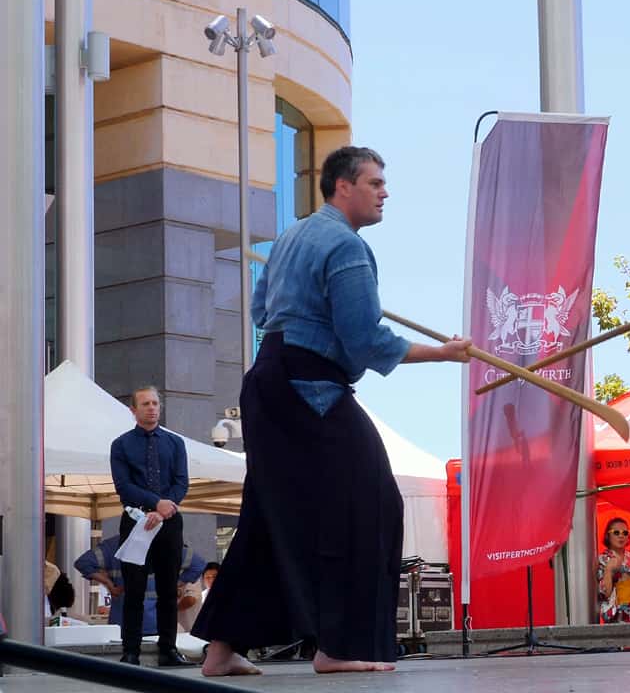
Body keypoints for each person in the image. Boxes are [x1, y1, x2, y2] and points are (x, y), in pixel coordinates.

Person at [192, 146, 471, 677]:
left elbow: (260, 309)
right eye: (376, 183)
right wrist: (442, 352)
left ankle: (222, 649)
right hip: (309, 386)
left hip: (270, 380)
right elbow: (364, 339)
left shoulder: (294, 235)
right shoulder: (346, 247)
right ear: (344, 186)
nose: (385, 192)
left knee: (270, 513)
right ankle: (338, 645)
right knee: (373, 504)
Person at [109, 385, 191, 667]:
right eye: (145, 404)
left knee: (170, 588)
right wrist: (156, 504)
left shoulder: (175, 443)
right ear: (133, 410)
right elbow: (123, 486)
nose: (152, 408)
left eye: (155, 403)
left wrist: (165, 508)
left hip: (169, 522)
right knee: (134, 589)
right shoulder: (120, 445)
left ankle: (168, 648)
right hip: (136, 521)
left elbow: (182, 482)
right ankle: (130, 650)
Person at [74, 535, 207, 639]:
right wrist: (175, 584)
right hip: (159, 623)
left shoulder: (113, 545)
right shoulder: (167, 543)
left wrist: (109, 584)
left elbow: (83, 563)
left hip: (122, 623)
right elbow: (199, 565)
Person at [596, 517, 630, 623]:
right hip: (618, 612)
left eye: (625, 533)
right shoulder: (603, 559)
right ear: (608, 536)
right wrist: (608, 570)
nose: (621, 536)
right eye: (616, 532)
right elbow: (605, 594)